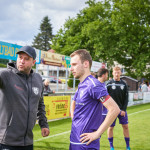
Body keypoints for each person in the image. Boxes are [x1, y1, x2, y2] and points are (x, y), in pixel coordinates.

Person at [0, 46, 50, 150]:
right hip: (7, 142)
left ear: (33, 62)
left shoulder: (38, 79)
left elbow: (40, 104)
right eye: (20, 57)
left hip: (28, 142)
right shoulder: (5, 75)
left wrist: (44, 124)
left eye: (26, 59)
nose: (22, 61)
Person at [69, 49, 120, 150]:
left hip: (86, 145)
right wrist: (75, 120)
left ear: (86, 64)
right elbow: (73, 104)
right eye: (71, 65)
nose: (71, 68)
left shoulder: (94, 85)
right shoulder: (81, 84)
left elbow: (114, 109)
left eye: (74, 64)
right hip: (74, 141)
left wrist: (97, 133)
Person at [106, 66, 130, 150]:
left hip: (121, 110)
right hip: (111, 110)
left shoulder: (124, 84)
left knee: (125, 126)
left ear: (120, 73)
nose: (117, 74)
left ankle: (128, 146)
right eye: (115, 72)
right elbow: (104, 98)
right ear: (112, 73)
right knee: (110, 127)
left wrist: (123, 109)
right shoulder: (108, 84)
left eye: (118, 72)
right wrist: (109, 108)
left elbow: (126, 98)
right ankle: (111, 146)